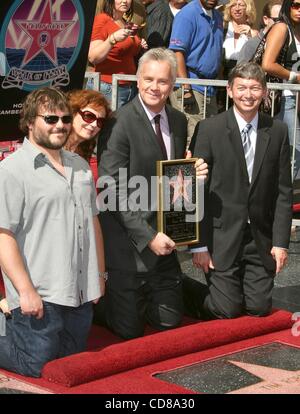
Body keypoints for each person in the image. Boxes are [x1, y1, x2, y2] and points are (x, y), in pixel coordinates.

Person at [97, 48, 208, 339]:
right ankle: (98, 300)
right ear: (137, 79)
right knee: (128, 330)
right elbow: (111, 188)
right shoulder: (118, 123)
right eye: (148, 79)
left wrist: (191, 171)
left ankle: (164, 288)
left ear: (173, 84)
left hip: (164, 243)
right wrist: (148, 237)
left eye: (162, 81)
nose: (154, 87)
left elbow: (172, 177)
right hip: (127, 243)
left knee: (169, 322)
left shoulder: (180, 121)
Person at [0, 87, 105, 378]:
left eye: (65, 118)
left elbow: (93, 223)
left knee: (67, 364)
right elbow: (3, 236)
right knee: (37, 366)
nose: (60, 125)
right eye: (50, 118)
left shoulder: (81, 167)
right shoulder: (11, 170)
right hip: (40, 293)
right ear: (30, 122)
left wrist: (99, 276)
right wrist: (25, 291)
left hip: (81, 291)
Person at [187, 62, 293, 320]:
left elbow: (283, 191)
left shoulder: (277, 130)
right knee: (227, 309)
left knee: (258, 308)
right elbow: (194, 188)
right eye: (242, 87)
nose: (248, 94)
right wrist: (197, 245)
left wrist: (280, 244)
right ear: (230, 90)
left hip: (259, 238)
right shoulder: (209, 129)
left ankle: (235, 287)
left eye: (255, 88)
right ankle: (186, 290)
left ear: (265, 92)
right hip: (220, 236)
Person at [168, 0, 224, 140]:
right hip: (191, 84)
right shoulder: (187, 14)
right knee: (193, 138)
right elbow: (177, 52)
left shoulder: (218, 16)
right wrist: (186, 89)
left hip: (210, 87)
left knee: (210, 138)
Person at [262, 0, 300, 180]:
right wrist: (295, 77)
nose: (299, 10)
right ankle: (287, 203)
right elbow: (268, 64)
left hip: (297, 99)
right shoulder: (282, 28)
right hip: (285, 99)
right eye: (296, 5)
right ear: (287, 6)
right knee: (294, 153)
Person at [88, 0, 148, 109]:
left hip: (128, 87)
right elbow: (93, 57)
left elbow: (126, 51)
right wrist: (112, 39)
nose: (125, 1)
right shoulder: (102, 19)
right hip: (108, 87)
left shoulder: (124, 21)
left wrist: (139, 44)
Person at [65, 89, 111, 162]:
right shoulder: (54, 144)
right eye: (89, 116)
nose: (94, 124)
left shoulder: (87, 148)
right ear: (73, 113)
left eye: (100, 121)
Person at [222, 0, 258, 78]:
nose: (237, 8)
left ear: (248, 8)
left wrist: (250, 35)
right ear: (229, 8)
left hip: (244, 75)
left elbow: (257, 57)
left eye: (241, 5)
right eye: (233, 5)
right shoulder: (223, 28)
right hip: (222, 75)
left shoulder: (253, 33)